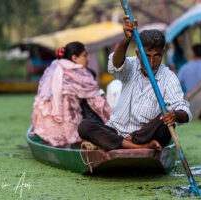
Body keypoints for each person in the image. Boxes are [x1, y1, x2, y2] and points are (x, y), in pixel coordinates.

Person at [78, 15, 192, 152]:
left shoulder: (169, 77)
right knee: (84, 126)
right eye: (147, 56)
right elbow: (114, 67)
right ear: (138, 54)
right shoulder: (130, 65)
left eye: (157, 56)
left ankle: (126, 143)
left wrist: (174, 114)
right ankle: (134, 146)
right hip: (117, 132)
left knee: (166, 121)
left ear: (162, 54)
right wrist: (127, 39)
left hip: (145, 135)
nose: (151, 63)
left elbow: (185, 112)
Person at [31, 41, 112, 147]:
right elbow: (100, 105)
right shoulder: (81, 72)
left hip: (43, 129)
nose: (88, 59)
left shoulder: (53, 68)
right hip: (69, 132)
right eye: (85, 56)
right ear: (74, 58)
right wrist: (113, 124)